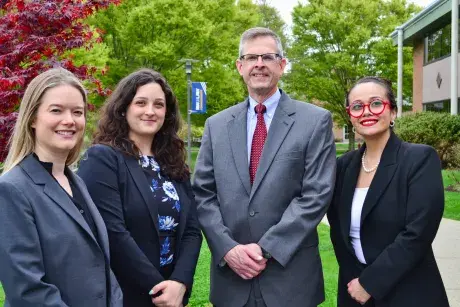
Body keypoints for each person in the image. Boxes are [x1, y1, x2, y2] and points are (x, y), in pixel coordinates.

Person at [192, 27, 336, 307]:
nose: (259, 64)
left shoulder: (314, 121)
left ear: (282, 65)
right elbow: (203, 194)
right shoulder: (216, 125)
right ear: (240, 66)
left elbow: (316, 194)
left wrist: (266, 248)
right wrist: (228, 249)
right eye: (251, 57)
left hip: (291, 279)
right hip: (231, 281)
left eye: (268, 57)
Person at [77, 68, 202, 307]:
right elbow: (113, 233)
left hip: (173, 292)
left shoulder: (173, 162)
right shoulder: (102, 159)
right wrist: (160, 290)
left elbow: (192, 230)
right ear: (123, 108)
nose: (150, 111)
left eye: (159, 104)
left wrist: (180, 282)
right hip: (127, 294)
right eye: (141, 102)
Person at [0, 68, 123, 307]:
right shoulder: (12, 190)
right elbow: (28, 291)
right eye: (56, 110)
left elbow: (102, 266)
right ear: (33, 118)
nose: (69, 120)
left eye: (77, 112)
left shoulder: (76, 182)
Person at [327, 76, 449, 306]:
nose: (366, 112)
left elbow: (417, 233)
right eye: (357, 106)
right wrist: (357, 282)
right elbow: (338, 230)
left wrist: (370, 283)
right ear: (350, 116)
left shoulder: (419, 159)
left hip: (409, 292)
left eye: (375, 103)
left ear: (392, 112)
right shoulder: (343, 166)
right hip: (355, 293)